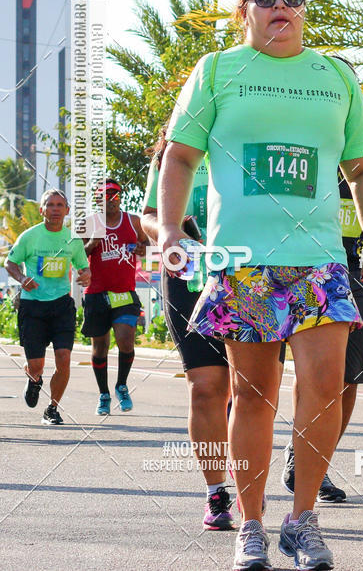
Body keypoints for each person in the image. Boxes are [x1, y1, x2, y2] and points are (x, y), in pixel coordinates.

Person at [158, 0, 363, 571]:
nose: (279, 3)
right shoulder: (217, 71)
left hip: (318, 260)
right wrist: (170, 227)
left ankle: (303, 519)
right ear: (245, 9)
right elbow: (179, 156)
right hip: (243, 262)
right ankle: (251, 524)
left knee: (324, 386)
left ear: (304, 5)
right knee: (253, 394)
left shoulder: (334, 76)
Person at [282, 118, 363, 503]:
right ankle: (301, 455)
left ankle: (313, 463)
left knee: (349, 375)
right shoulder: (296, 131)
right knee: (315, 370)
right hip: (304, 262)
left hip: (357, 268)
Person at [142, 132, 233, 531]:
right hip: (187, 275)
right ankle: (217, 491)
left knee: (248, 388)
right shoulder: (172, 153)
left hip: (248, 273)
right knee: (206, 386)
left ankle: (251, 479)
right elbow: (148, 214)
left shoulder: (249, 135)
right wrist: (170, 231)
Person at [4, 189, 90, 425]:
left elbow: (83, 266)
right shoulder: (30, 237)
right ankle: (34, 379)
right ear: (42, 210)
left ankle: (52, 409)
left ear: (67, 210)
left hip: (61, 305)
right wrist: (22, 279)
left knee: (64, 358)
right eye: (50, 205)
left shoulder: (73, 240)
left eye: (59, 205)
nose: (55, 209)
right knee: (36, 366)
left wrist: (86, 274)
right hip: (33, 306)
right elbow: (10, 262)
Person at [82, 178, 148, 415]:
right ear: (98, 200)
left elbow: (145, 243)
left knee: (125, 340)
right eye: (106, 196)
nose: (111, 200)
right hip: (97, 293)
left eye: (115, 195)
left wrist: (142, 248)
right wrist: (92, 243)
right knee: (100, 348)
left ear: (120, 198)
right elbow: (78, 254)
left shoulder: (133, 221)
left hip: (124, 293)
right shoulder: (89, 223)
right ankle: (104, 394)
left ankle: (121, 385)